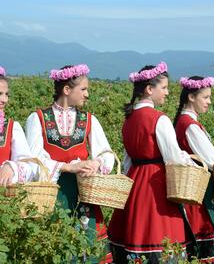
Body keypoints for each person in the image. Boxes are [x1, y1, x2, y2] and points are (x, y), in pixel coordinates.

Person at [25, 64, 115, 263]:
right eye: (83, 89)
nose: (87, 94)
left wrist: (96, 163)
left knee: (87, 246)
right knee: (54, 247)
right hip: (51, 195)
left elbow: (107, 154)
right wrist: (67, 167)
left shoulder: (89, 120)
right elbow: (33, 159)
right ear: (67, 90)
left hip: (84, 192)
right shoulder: (38, 118)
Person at [108, 62, 194, 264]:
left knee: (135, 234)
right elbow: (173, 158)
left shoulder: (129, 119)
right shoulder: (159, 119)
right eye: (163, 88)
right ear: (149, 89)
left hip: (134, 184)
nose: (167, 92)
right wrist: (190, 161)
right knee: (160, 237)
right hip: (156, 186)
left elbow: (127, 160)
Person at [173, 76, 214, 263]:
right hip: (199, 195)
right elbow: (212, 159)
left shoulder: (183, 121)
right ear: (191, 97)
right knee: (202, 241)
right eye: (206, 97)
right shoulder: (189, 125)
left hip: (193, 191)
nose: (209, 102)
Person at [0, 66, 40, 186]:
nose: (4, 99)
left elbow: (29, 165)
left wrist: (11, 167)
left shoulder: (11, 128)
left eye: (6, 94)